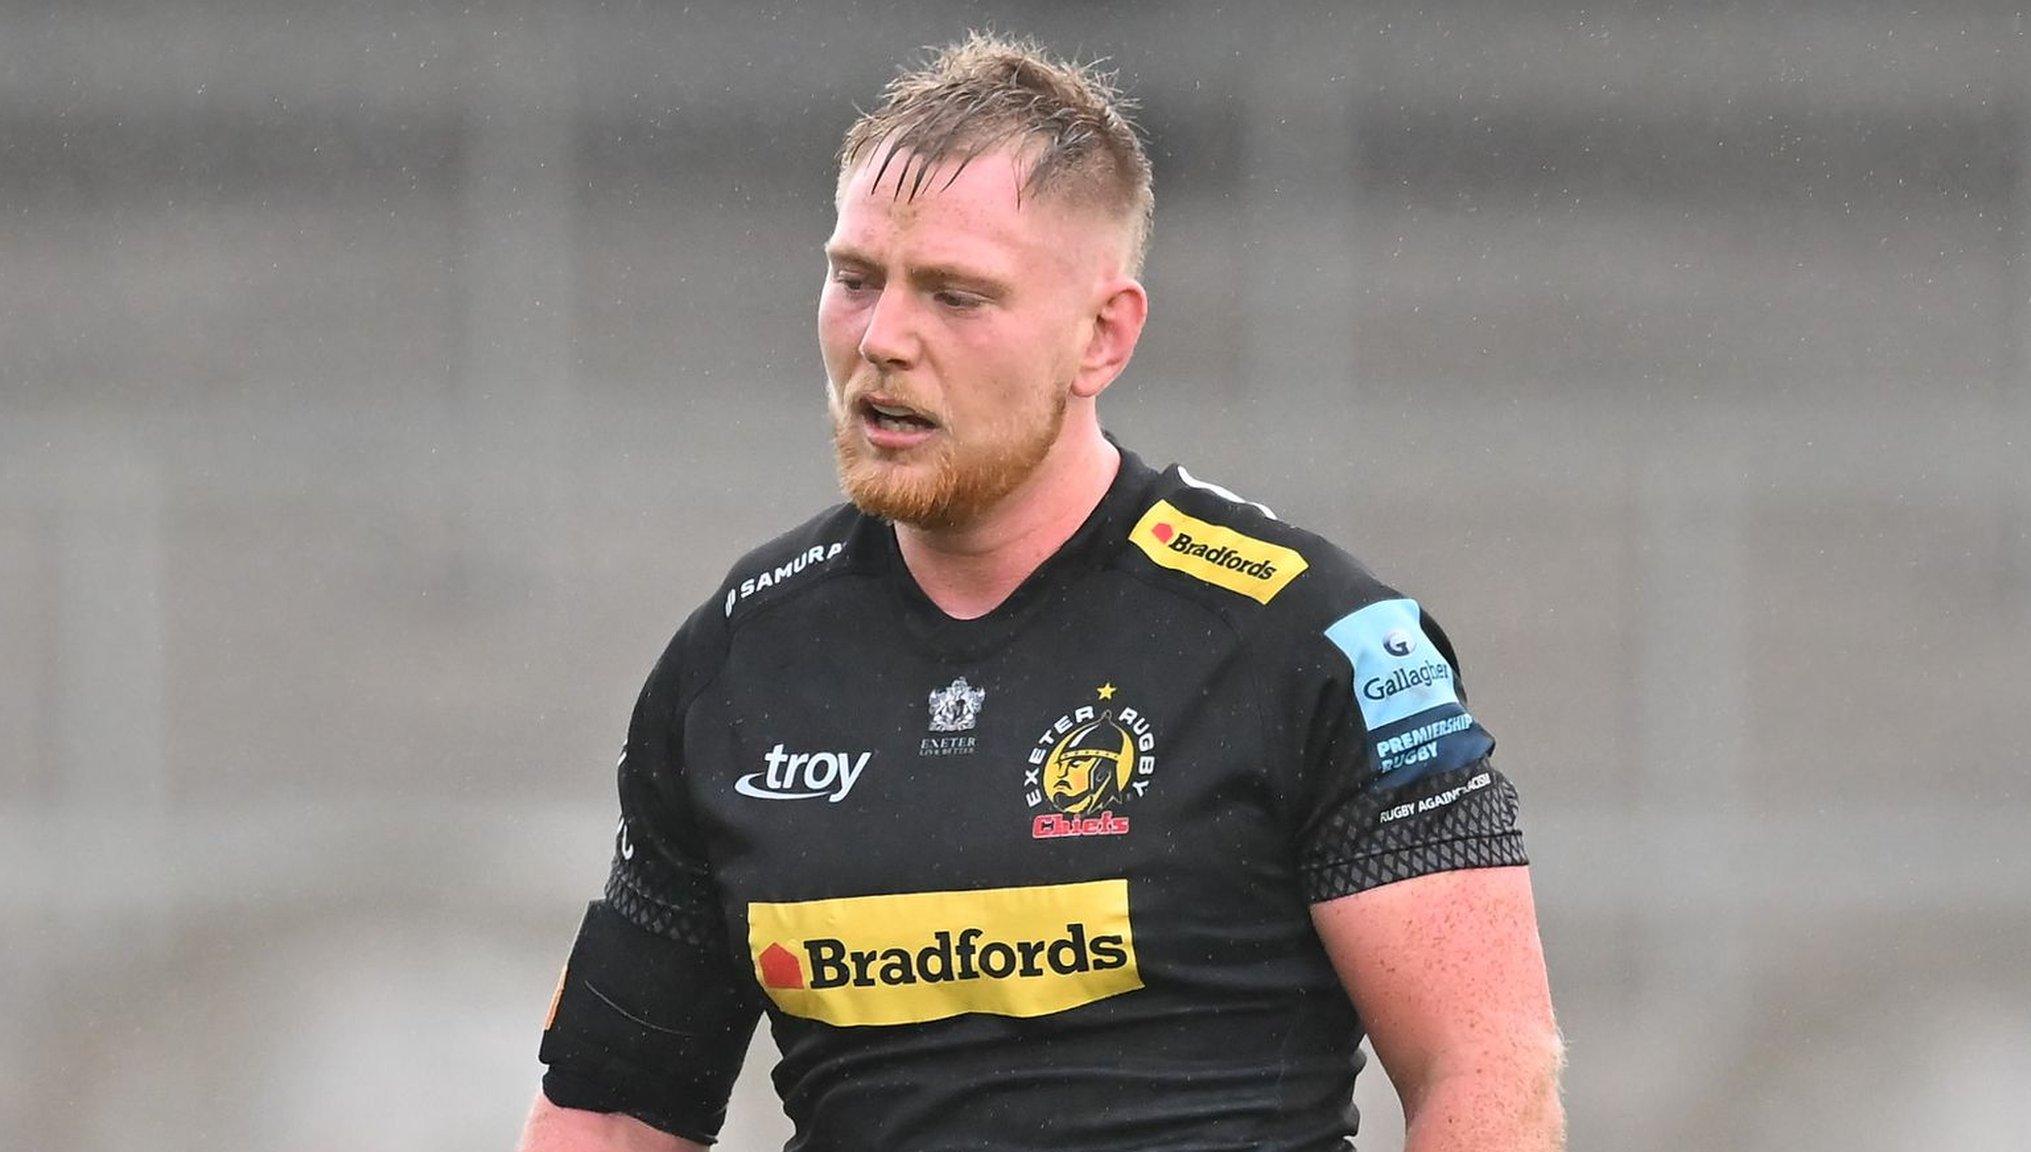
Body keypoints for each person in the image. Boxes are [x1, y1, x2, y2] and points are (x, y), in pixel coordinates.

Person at [518, 32, 1563, 1152]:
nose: (882, 340)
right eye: (854, 278)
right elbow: (611, 1109)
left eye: (955, 296)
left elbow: (1487, 1067)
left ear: (1100, 336)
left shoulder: (1314, 644)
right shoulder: (739, 658)